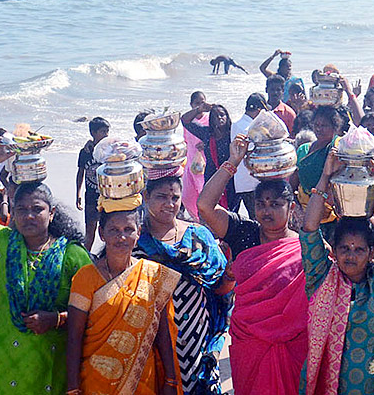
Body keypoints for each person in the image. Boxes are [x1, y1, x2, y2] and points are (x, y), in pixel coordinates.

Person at [0, 143, 92, 395]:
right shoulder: (2, 242)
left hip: (51, 368)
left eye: (37, 209)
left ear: (52, 213)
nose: (29, 216)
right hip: (7, 369)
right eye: (21, 210)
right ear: (12, 213)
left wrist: (56, 319)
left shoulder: (73, 255)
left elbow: (97, 311)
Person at [197, 142, 307, 395]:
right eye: (261, 203)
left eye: (275, 204)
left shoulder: (305, 245)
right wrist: (232, 162)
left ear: (291, 209)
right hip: (251, 343)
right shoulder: (243, 231)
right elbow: (204, 206)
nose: (266, 210)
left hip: (293, 345)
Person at [300, 148, 374, 395]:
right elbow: (308, 229)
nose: (351, 255)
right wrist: (326, 176)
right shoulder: (321, 278)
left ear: (372, 253)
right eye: (345, 248)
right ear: (334, 251)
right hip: (326, 386)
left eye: (359, 250)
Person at [66, 198, 181, 395]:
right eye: (114, 230)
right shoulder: (85, 277)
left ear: (138, 233)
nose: (121, 237)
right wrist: (72, 388)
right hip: (96, 382)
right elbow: (74, 337)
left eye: (128, 229)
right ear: (102, 234)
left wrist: (170, 379)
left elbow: (162, 333)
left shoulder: (153, 275)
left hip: (142, 379)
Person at [132, 174, 232, 395]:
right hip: (151, 341)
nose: (169, 204)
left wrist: (231, 276)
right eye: (161, 197)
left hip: (197, 336)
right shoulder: (134, 240)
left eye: (175, 198)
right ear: (146, 196)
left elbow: (220, 290)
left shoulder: (199, 236)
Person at [295, 106, 347, 226]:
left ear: (334, 127)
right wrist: (297, 211)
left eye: (324, 126)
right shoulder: (304, 149)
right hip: (305, 209)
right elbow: (294, 181)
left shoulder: (338, 148)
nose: (319, 129)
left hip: (331, 213)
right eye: (316, 125)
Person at [181, 101, 236, 211]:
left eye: (222, 115)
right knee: (210, 210)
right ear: (211, 119)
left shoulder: (233, 133)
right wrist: (199, 109)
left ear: (227, 117)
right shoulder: (206, 133)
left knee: (230, 212)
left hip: (231, 181)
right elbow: (185, 120)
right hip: (211, 179)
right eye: (216, 116)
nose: (220, 118)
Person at [228, 93, 270, 217]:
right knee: (257, 216)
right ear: (259, 111)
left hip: (246, 180)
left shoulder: (238, 124)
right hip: (251, 181)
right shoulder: (248, 127)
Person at [76, 116, 109, 250]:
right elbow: (80, 173)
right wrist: (77, 193)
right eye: (102, 131)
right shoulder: (85, 152)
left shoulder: (109, 151)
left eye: (107, 131)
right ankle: (86, 260)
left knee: (108, 230)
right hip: (90, 198)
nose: (106, 135)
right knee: (90, 232)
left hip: (107, 198)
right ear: (93, 133)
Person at [183, 92, 212, 219]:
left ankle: (206, 221)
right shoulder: (189, 121)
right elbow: (185, 141)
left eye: (202, 102)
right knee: (187, 196)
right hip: (191, 162)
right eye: (197, 103)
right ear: (191, 105)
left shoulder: (210, 120)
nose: (200, 106)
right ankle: (197, 219)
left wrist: (206, 145)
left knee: (203, 195)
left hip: (205, 163)